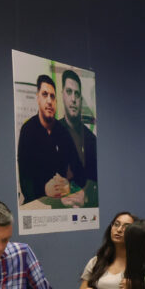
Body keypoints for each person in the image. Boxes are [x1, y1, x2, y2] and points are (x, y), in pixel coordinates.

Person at [17, 74, 82, 204]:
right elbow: (25, 180)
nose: (49, 101)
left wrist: (68, 185)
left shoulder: (63, 131)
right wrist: (44, 189)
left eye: (52, 96)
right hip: (37, 204)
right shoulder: (28, 130)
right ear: (38, 98)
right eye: (45, 94)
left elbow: (77, 168)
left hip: (61, 201)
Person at [58, 69, 97, 204]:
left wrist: (86, 194)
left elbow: (95, 179)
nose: (73, 99)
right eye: (69, 92)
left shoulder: (91, 139)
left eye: (77, 94)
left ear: (80, 99)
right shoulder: (51, 133)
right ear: (62, 95)